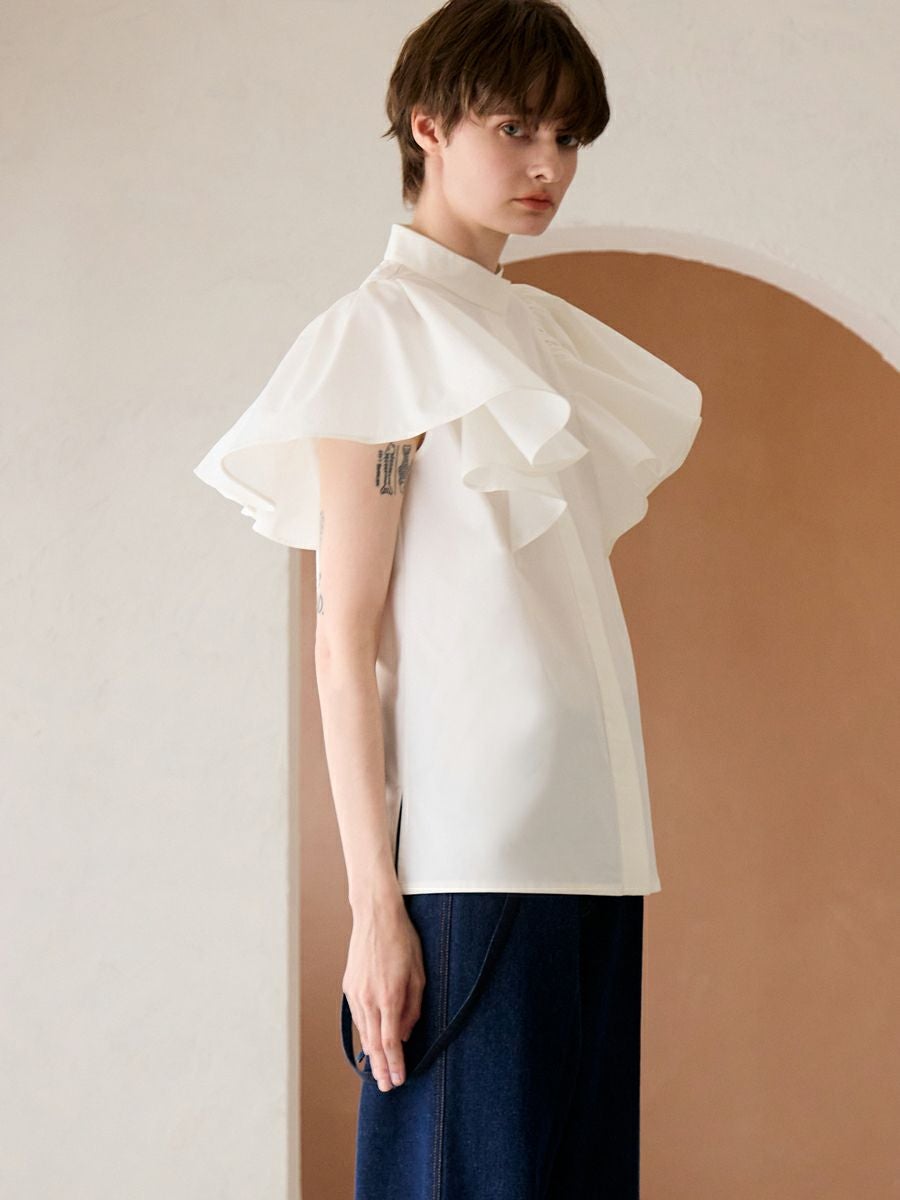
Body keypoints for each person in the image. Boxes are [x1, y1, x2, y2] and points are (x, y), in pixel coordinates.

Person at [193, 0, 703, 1194]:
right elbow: (345, 639)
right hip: (472, 855)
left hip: (594, 843)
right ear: (427, 125)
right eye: (516, 127)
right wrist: (376, 905)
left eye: (567, 137)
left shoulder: (540, 337)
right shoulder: (379, 336)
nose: (547, 164)